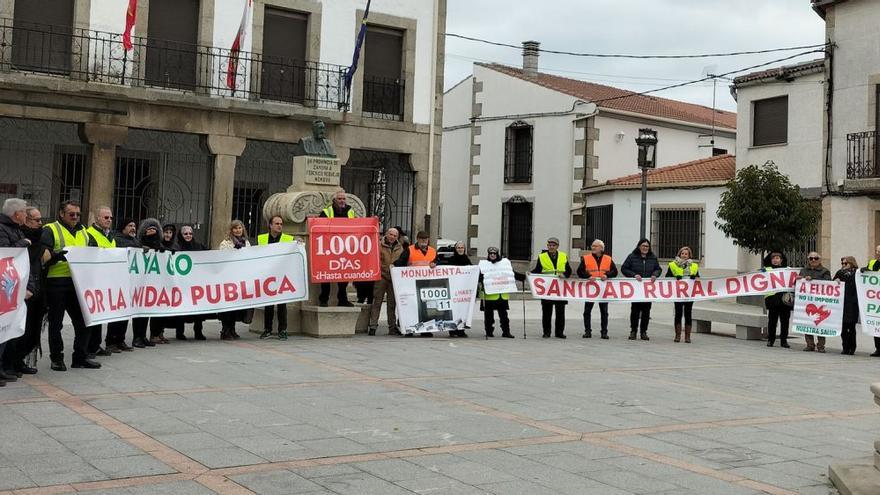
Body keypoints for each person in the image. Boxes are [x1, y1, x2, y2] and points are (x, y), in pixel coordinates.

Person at [41, 200, 101, 370]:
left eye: (77, 214)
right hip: (56, 282)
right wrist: (57, 256)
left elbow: (94, 251)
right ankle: (57, 359)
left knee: (84, 321)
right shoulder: (50, 229)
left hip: (78, 283)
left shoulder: (83, 231)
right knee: (56, 323)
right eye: (71, 214)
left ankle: (79, 358)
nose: (75, 217)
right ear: (61, 214)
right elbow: (43, 255)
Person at [4, 207, 47, 375]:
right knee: (21, 329)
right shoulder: (21, 236)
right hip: (22, 288)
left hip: (38, 287)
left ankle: (18, 360)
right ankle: (11, 362)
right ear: (26, 220)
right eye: (37, 220)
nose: (40, 223)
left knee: (33, 330)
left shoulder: (37, 238)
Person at [0, 199, 33, 384]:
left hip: (13, 287)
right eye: (24, 212)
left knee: (8, 330)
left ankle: (4, 366)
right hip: (5, 286)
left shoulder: (15, 228)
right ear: (16, 214)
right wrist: (23, 242)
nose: (26, 216)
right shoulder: (3, 229)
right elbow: (6, 253)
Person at [85, 206, 116, 358]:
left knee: (100, 315)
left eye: (110, 218)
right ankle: (89, 347)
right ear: (97, 218)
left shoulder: (110, 235)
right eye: (106, 217)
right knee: (92, 316)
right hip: (93, 281)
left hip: (106, 281)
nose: (109, 220)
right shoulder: (90, 234)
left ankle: (96, 345)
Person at [395, 230, 438, 337]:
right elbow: (401, 261)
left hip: (426, 284)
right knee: (409, 306)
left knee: (425, 307)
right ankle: (408, 328)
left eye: (425, 239)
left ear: (428, 240)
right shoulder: (409, 250)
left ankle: (425, 330)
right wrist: (394, 265)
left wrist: (436, 263)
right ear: (417, 239)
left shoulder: (433, 251)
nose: (424, 241)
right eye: (421, 239)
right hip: (410, 284)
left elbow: (439, 262)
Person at [257, 216, 294, 340]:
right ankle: (267, 329)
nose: (279, 226)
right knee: (268, 304)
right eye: (277, 223)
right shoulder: (261, 238)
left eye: (281, 224)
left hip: (282, 276)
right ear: (270, 225)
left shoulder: (288, 239)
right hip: (267, 276)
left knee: (282, 305)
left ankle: (282, 330)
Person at [105, 218, 138, 353]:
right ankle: (110, 341)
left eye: (134, 225)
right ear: (123, 228)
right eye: (130, 225)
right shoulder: (116, 239)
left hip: (129, 281)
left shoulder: (135, 241)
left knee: (125, 313)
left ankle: (120, 340)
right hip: (117, 281)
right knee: (116, 313)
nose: (133, 228)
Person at [318, 189, 355, 307]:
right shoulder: (326, 211)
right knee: (326, 274)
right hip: (328, 248)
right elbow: (320, 227)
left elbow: (356, 227)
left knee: (344, 275)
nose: (342, 201)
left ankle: (342, 299)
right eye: (339, 199)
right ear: (334, 200)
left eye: (344, 199)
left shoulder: (350, 211)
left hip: (345, 248)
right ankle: (324, 299)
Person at [131, 219, 164, 348]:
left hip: (152, 282)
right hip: (140, 282)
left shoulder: (158, 243)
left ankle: (143, 336)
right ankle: (137, 337)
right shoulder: (139, 243)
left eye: (154, 229)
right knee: (139, 311)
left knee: (147, 311)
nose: (151, 232)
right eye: (149, 229)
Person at [621, 238, 661, 341]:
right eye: (643, 246)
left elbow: (658, 269)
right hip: (636, 289)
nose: (645, 248)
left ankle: (644, 332)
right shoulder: (632, 256)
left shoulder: (653, 257)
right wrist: (634, 275)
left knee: (646, 311)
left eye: (647, 246)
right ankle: (633, 331)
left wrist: (655, 275)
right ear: (639, 246)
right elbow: (624, 268)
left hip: (648, 290)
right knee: (635, 310)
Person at [479, 247, 524, 338]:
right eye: (490, 253)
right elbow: (479, 277)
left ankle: (506, 332)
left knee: (504, 315)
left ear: (497, 254)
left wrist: (522, 277)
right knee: (489, 316)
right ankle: (489, 331)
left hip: (501, 295)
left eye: (494, 253)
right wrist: (481, 278)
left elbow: (511, 274)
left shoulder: (504, 264)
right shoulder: (484, 265)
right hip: (489, 295)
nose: (492, 255)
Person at [531, 237, 572, 339]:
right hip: (547, 288)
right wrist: (530, 274)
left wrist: (565, 275)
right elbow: (538, 270)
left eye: (553, 245)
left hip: (560, 288)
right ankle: (546, 332)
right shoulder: (542, 256)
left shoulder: (563, 256)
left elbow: (569, 270)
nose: (551, 247)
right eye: (549, 245)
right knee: (546, 312)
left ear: (557, 246)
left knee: (560, 312)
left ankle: (559, 332)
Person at [577, 239, 617, 339]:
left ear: (601, 248)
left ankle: (604, 332)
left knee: (604, 312)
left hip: (603, 289)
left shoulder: (608, 259)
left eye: (596, 246)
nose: (593, 248)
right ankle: (587, 331)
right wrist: (587, 276)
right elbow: (579, 271)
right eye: (592, 246)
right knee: (587, 311)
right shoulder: (586, 258)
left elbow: (615, 272)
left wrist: (607, 275)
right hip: (590, 289)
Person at [218, 220, 250, 340]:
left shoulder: (246, 243)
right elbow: (222, 258)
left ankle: (232, 329)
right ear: (231, 230)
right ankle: (225, 330)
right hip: (228, 279)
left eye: (239, 228)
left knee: (236, 306)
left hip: (240, 279)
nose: (237, 230)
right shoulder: (225, 243)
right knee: (228, 307)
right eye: (235, 228)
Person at [174, 224, 207, 341]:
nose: (188, 236)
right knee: (182, 308)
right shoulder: (177, 247)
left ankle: (198, 331)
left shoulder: (199, 246)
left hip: (196, 283)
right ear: (181, 235)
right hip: (182, 283)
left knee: (198, 309)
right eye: (185, 234)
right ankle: (179, 332)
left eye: (190, 233)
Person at [368, 227, 403, 336]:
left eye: (395, 235)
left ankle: (392, 327)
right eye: (391, 234)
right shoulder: (378, 245)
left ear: (397, 237)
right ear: (386, 234)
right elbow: (374, 260)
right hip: (381, 277)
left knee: (392, 304)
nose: (392, 237)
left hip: (393, 279)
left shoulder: (400, 247)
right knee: (377, 302)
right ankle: (373, 326)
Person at [665, 246, 700, 343]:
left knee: (688, 313)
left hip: (689, 293)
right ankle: (677, 335)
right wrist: (675, 277)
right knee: (678, 313)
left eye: (686, 254)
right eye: (682, 253)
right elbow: (667, 277)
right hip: (678, 293)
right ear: (679, 254)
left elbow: (698, 278)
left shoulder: (694, 266)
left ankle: (687, 336)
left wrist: (695, 277)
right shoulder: (672, 265)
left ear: (689, 255)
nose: (684, 255)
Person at [799, 251, 832, 352]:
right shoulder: (803, 270)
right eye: (811, 258)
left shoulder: (824, 271)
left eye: (816, 258)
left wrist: (812, 279)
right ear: (808, 259)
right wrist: (799, 279)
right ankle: (810, 344)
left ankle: (821, 346)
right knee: (807, 323)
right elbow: (799, 283)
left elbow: (828, 283)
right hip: (807, 301)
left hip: (820, 302)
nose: (813, 260)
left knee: (821, 324)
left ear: (819, 259)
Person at [762, 251, 792, 348]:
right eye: (773, 258)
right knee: (772, 322)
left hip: (785, 300)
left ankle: (784, 340)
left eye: (777, 258)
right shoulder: (766, 270)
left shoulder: (788, 270)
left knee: (785, 322)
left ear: (781, 260)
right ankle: (771, 340)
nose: (775, 260)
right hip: (773, 300)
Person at [836, 256, 860, 355]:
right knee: (843, 328)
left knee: (852, 327)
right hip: (842, 303)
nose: (843, 265)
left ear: (851, 263)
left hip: (853, 304)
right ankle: (845, 347)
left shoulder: (858, 273)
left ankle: (852, 348)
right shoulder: (840, 273)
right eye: (842, 263)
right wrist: (836, 280)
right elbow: (832, 283)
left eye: (845, 263)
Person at [447, 241, 470, 337]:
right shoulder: (451, 259)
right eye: (458, 248)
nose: (460, 249)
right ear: (455, 249)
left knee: (462, 310)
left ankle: (461, 330)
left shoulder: (466, 259)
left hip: (462, 290)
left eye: (462, 247)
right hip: (453, 289)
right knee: (452, 310)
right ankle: (452, 330)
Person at [862, 246, 880, 356]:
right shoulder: (873, 262)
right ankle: (878, 349)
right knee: (876, 326)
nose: (878, 253)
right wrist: (864, 270)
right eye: (877, 251)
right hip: (874, 300)